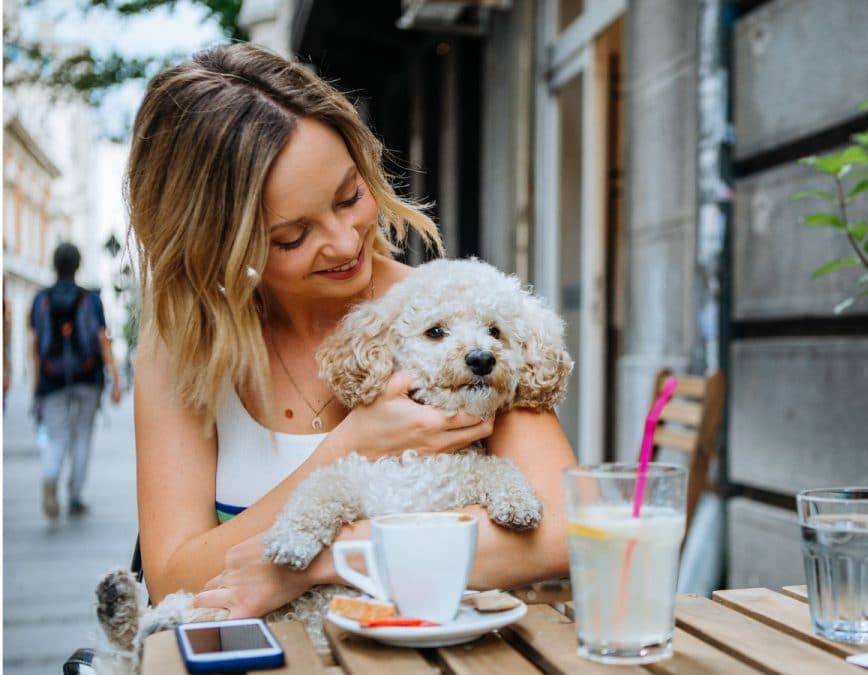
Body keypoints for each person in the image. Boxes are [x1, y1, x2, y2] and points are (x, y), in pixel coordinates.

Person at [126, 42, 575, 618]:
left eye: (349, 196)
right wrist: (350, 446)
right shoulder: (186, 348)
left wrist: (330, 556)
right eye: (292, 236)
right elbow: (174, 579)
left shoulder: (451, 315)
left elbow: (562, 529)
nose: (343, 243)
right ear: (215, 244)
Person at [29, 242, 123, 517]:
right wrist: (116, 379)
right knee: (82, 435)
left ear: (54, 265)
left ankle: (50, 477)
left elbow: (34, 345)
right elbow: (102, 340)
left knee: (56, 436)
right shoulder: (90, 299)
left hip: (51, 379)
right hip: (87, 377)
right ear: (78, 265)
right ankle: (75, 496)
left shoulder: (40, 299)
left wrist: (37, 384)